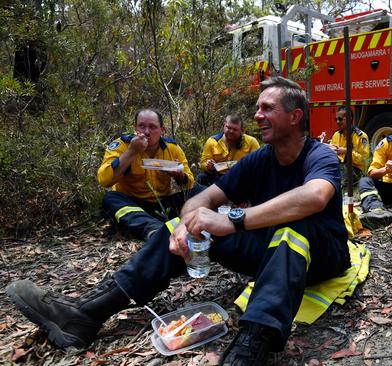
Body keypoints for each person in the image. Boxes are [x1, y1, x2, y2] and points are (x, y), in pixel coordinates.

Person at [6, 77, 352, 366]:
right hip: (270, 250)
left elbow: (314, 197)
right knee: (175, 225)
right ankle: (85, 314)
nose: (257, 115)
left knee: (293, 232)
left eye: (267, 108)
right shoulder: (260, 158)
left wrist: (232, 219)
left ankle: (252, 345)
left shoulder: (318, 154)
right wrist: (188, 224)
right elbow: (203, 196)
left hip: (322, 256)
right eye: (257, 107)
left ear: (294, 117)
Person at [97, 109, 198, 241]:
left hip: (162, 206)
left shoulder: (172, 148)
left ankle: (193, 223)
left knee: (199, 192)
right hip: (132, 206)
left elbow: (190, 182)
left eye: (152, 127)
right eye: (142, 126)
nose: (146, 132)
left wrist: (179, 175)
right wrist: (131, 151)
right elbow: (104, 180)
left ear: (162, 130)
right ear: (135, 128)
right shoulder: (122, 145)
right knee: (109, 199)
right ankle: (155, 230)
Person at [197, 114, 260, 186]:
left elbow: (257, 163)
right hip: (217, 177)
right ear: (224, 125)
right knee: (202, 177)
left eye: (235, 129)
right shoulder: (212, 141)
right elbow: (203, 163)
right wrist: (209, 166)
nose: (231, 131)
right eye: (229, 128)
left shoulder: (251, 142)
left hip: (241, 177)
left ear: (242, 130)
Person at [327, 106, 370, 187]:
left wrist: (347, 152)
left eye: (340, 119)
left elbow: (364, 160)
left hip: (355, 169)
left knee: (340, 178)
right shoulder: (336, 135)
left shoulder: (361, 136)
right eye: (336, 119)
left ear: (349, 118)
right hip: (338, 166)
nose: (337, 122)